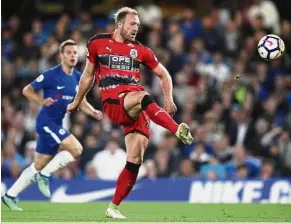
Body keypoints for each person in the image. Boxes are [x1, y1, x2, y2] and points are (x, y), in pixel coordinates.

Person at [67, 7, 194, 218]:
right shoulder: (98, 43)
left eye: (138, 25)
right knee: (143, 96)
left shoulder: (140, 50)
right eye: (132, 24)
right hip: (114, 102)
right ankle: (176, 129)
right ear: (119, 25)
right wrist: (77, 101)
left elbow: (164, 75)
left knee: (135, 159)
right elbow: (88, 76)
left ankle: (113, 207)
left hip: (136, 106)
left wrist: (169, 98)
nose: (136, 28)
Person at [2, 40, 103, 211]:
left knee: (38, 164)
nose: (73, 55)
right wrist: (41, 100)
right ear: (61, 55)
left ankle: (9, 195)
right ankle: (46, 174)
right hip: (46, 123)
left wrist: (93, 112)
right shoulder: (51, 75)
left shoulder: (78, 77)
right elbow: (27, 90)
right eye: (69, 52)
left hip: (56, 123)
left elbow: (81, 101)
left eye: (75, 53)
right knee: (77, 150)